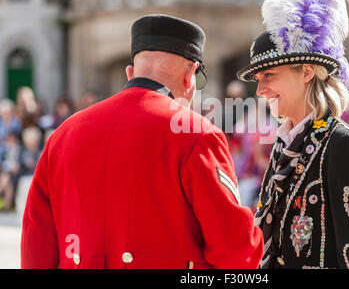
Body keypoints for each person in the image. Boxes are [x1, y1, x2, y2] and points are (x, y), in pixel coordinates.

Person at [21, 14, 263, 269]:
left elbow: (35, 244)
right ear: (190, 75)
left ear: (130, 73)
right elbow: (235, 253)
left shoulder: (63, 134)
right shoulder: (197, 133)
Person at [236, 0, 349, 269]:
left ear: (307, 72)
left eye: (269, 76)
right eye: (258, 80)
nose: (260, 90)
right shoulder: (283, 143)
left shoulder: (343, 144)